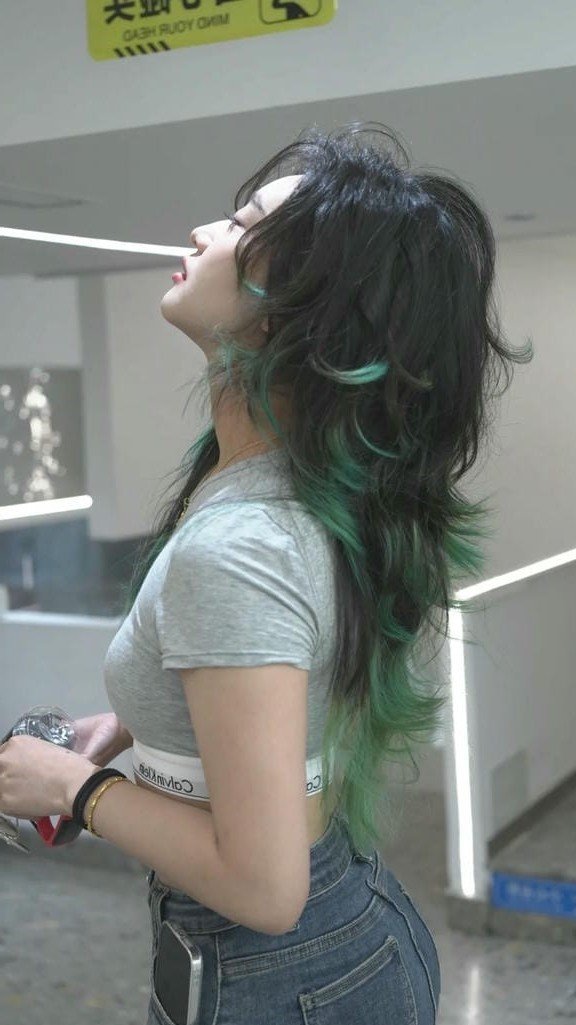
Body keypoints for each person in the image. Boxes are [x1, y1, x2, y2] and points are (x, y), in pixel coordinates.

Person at [7, 121, 533, 1025]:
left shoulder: (243, 544)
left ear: (302, 314)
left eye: (243, 226)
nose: (203, 232)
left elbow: (263, 885)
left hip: (283, 978)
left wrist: (73, 789)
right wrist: (128, 729)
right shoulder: (291, 486)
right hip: (339, 943)